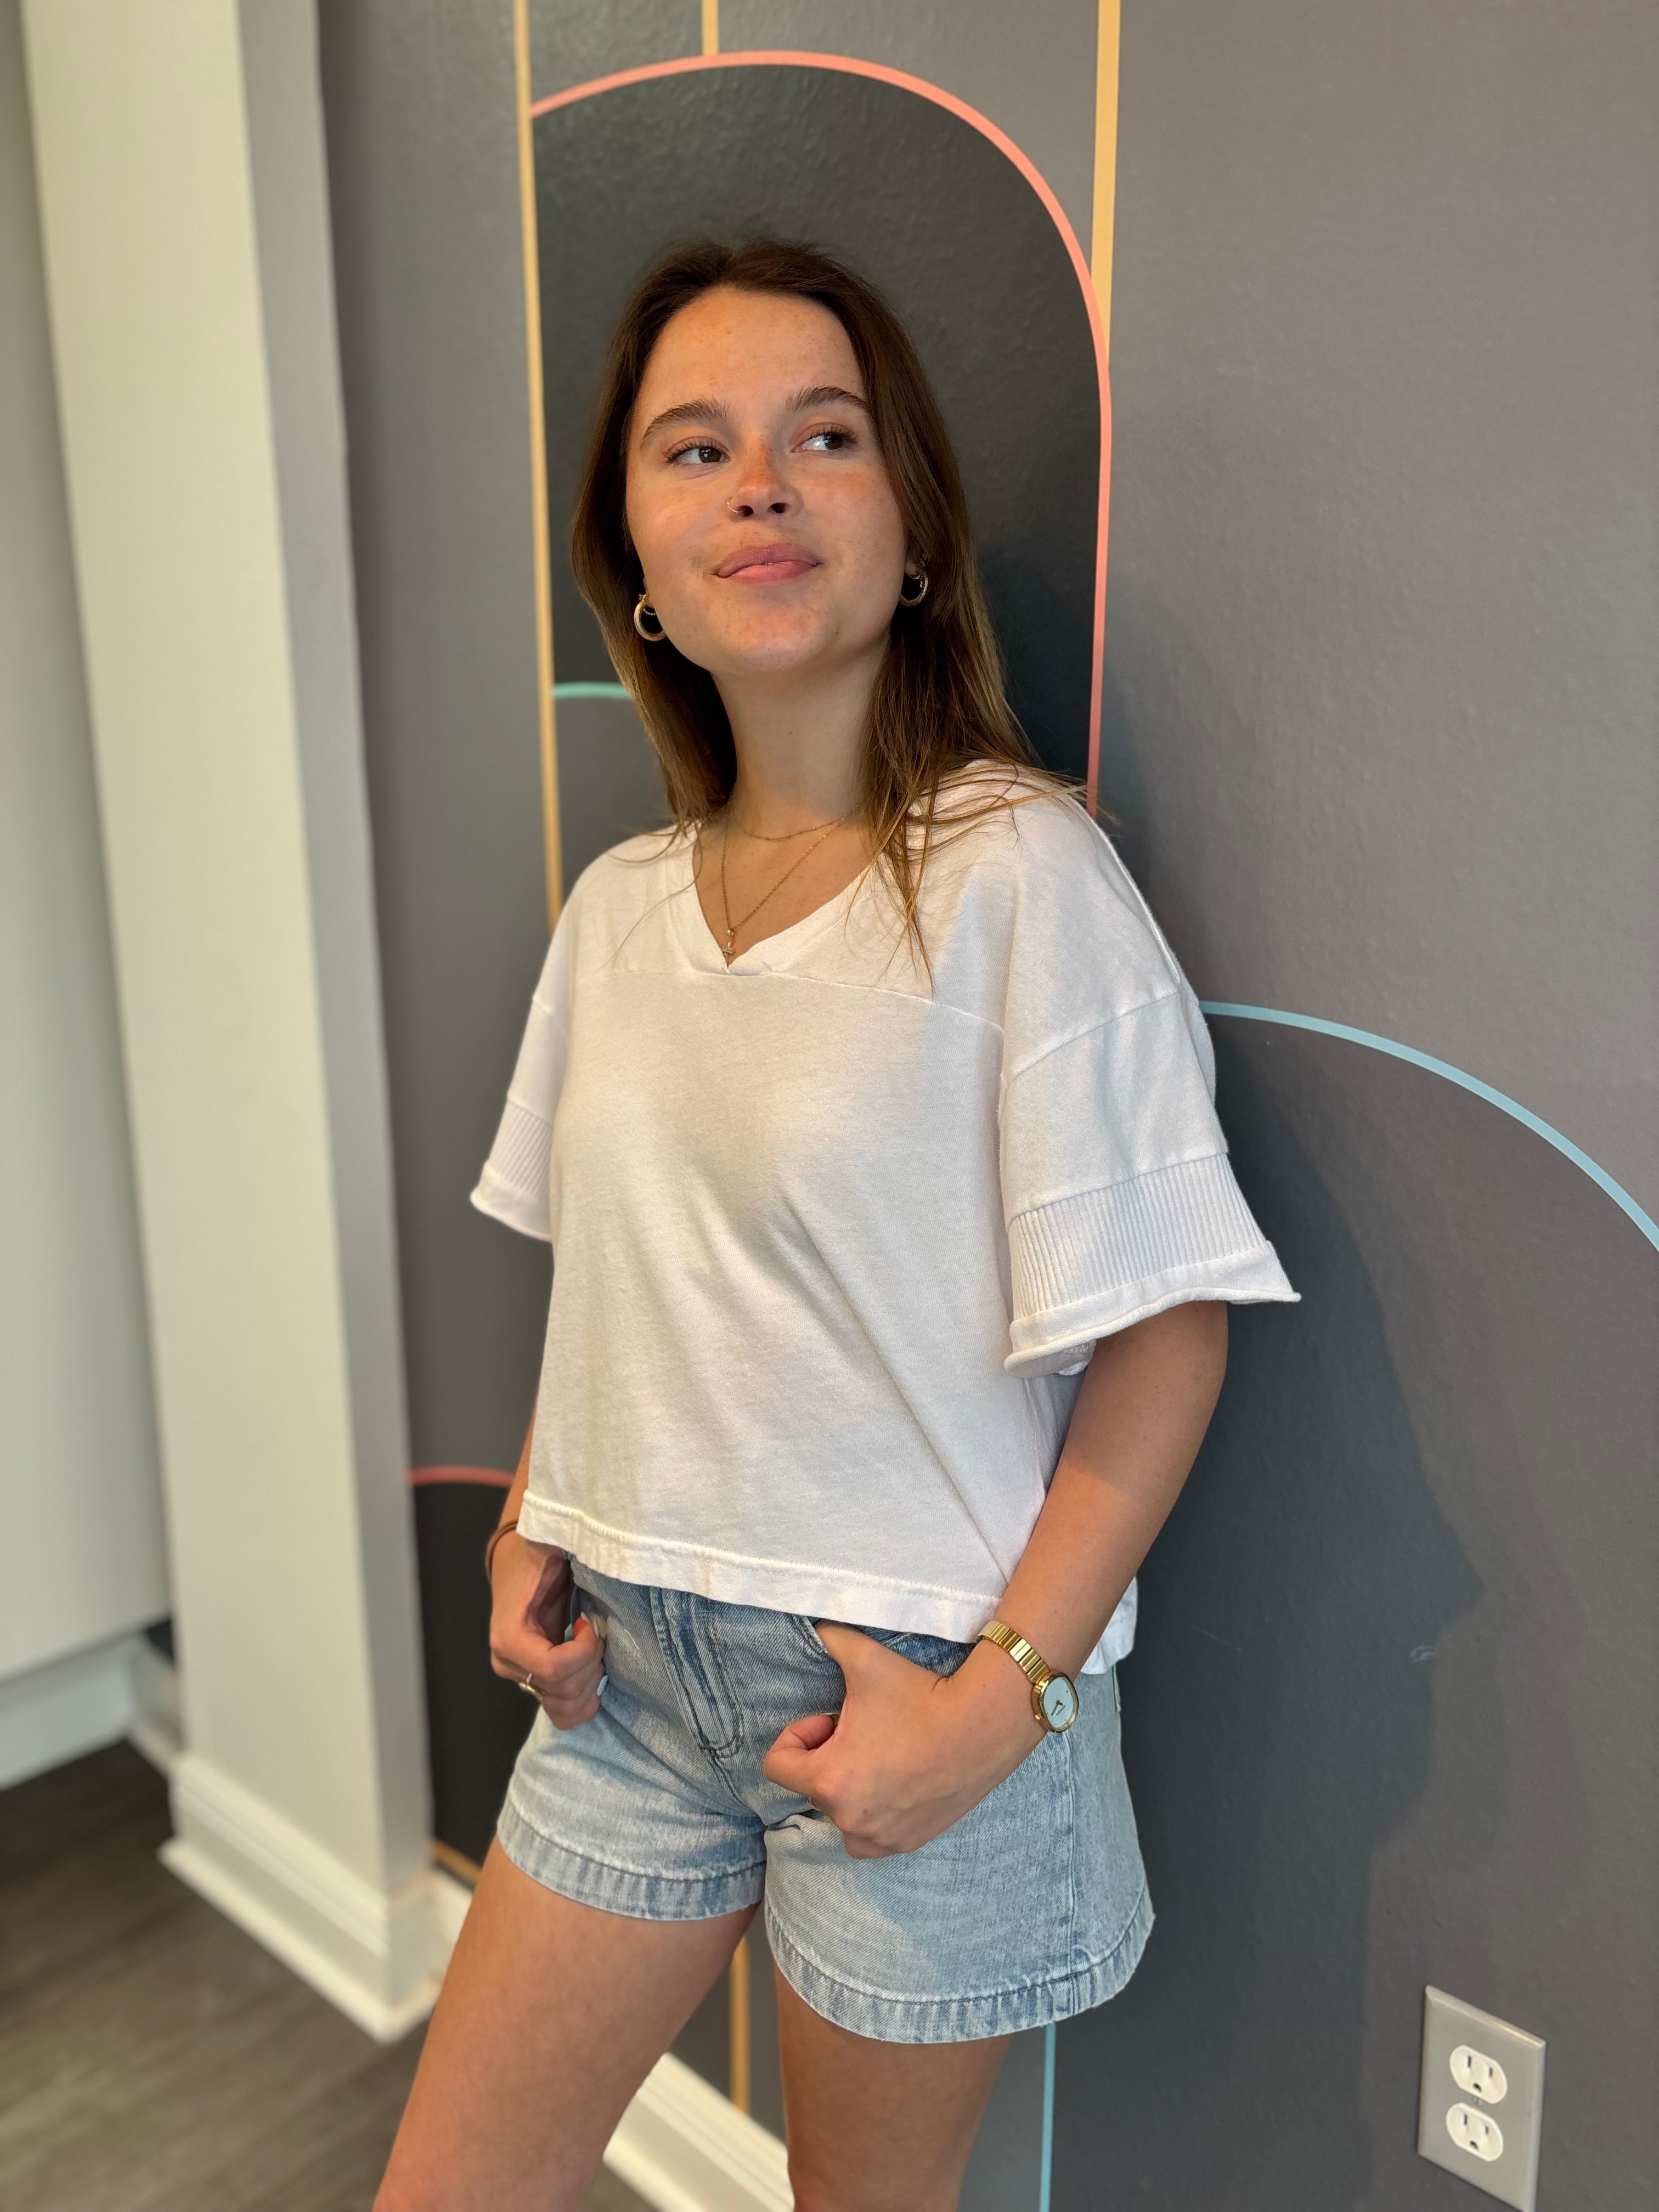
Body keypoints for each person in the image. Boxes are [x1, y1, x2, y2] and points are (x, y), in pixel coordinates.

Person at [376, 238, 1299, 2212]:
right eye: (694, 448)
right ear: (636, 554)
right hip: (626, 1684)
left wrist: (996, 1714)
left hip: (912, 1682)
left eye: (826, 435)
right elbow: (624, 1283)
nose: (761, 486)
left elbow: (1169, 1334)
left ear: (913, 533)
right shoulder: (617, 910)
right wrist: (537, 1511)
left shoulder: (1019, 877)